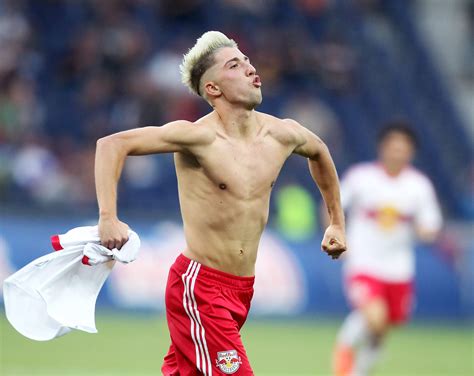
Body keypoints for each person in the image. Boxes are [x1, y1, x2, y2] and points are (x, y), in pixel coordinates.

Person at [95, 31, 346, 375]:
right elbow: (111, 145)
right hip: (200, 288)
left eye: (246, 61)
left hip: (242, 290)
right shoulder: (198, 137)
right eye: (234, 65)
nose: (249, 68)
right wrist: (108, 217)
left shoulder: (282, 133)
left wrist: (336, 221)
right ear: (213, 89)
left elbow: (319, 151)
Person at [332, 123, 443, 376]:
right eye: (393, 148)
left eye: (403, 149)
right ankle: (345, 348)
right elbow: (333, 204)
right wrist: (336, 234)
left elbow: (431, 225)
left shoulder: (419, 186)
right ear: (383, 148)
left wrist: (425, 231)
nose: (397, 153)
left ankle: (358, 371)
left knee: (383, 328)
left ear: (411, 152)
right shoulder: (361, 177)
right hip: (363, 261)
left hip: (398, 267)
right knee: (374, 317)